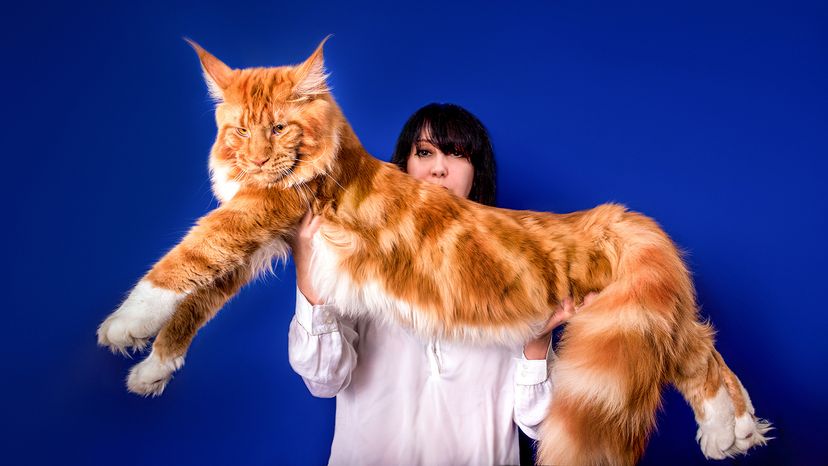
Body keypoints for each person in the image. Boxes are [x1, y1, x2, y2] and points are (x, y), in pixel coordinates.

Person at [288, 103, 582, 465]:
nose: (439, 168)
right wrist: (309, 270)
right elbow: (324, 379)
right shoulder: (359, 254)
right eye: (424, 152)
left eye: (458, 154)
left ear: (477, 173)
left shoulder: (515, 266)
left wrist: (536, 340)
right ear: (403, 167)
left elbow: (538, 424)